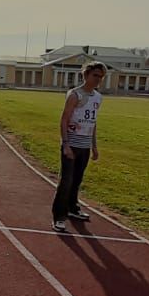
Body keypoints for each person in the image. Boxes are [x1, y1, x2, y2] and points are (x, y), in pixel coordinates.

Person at [52, 60, 105, 232]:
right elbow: (64, 119)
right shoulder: (75, 95)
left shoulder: (98, 97)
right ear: (86, 75)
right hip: (72, 144)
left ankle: (73, 208)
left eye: (101, 77)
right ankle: (59, 216)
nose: (98, 79)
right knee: (66, 181)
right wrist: (66, 144)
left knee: (77, 180)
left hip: (85, 145)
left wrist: (94, 146)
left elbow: (93, 122)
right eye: (95, 75)